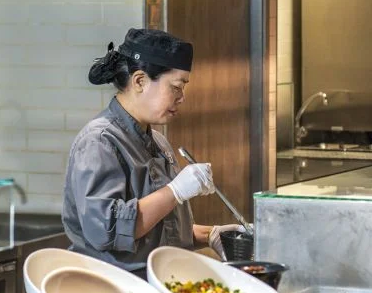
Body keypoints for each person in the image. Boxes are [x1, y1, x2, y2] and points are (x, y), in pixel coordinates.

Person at [62, 28, 243, 275]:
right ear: (140, 81)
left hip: (161, 282)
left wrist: (210, 234)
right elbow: (106, 230)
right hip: (116, 288)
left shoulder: (158, 142)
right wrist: (174, 191)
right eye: (176, 87)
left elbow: (158, 229)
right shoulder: (99, 141)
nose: (182, 97)